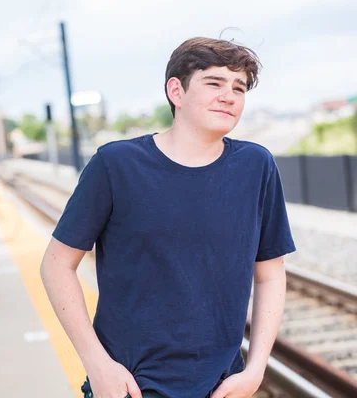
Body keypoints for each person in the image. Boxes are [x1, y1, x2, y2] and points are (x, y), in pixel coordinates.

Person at [40, 37, 296, 398]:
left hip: (222, 387)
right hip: (131, 387)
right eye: (214, 83)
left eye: (238, 88)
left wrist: (254, 370)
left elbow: (270, 275)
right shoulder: (116, 165)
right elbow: (56, 265)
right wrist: (97, 364)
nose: (229, 96)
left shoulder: (257, 167)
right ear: (176, 90)